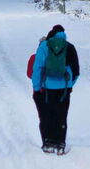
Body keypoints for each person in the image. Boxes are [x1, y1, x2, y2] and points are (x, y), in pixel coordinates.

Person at [32, 24, 79, 155]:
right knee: (61, 115)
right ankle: (60, 143)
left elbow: (37, 68)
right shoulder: (69, 47)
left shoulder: (44, 46)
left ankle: (48, 142)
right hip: (64, 88)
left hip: (46, 87)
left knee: (48, 114)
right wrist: (70, 84)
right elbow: (76, 70)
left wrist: (37, 87)